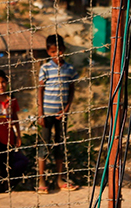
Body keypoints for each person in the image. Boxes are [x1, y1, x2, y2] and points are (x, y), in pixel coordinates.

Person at [36, 34, 78, 194]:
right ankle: (41, 180)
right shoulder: (45, 68)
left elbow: (72, 89)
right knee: (45, 144)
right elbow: (40, 90)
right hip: (47, 113)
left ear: (64, 49)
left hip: (62, 114)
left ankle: (59, 178)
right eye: (53, 52)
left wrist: (67, 108)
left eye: (59, 51)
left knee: (60, 144)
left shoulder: (69, 69)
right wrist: (40, 113)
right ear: (48, 52)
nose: (57, 54)